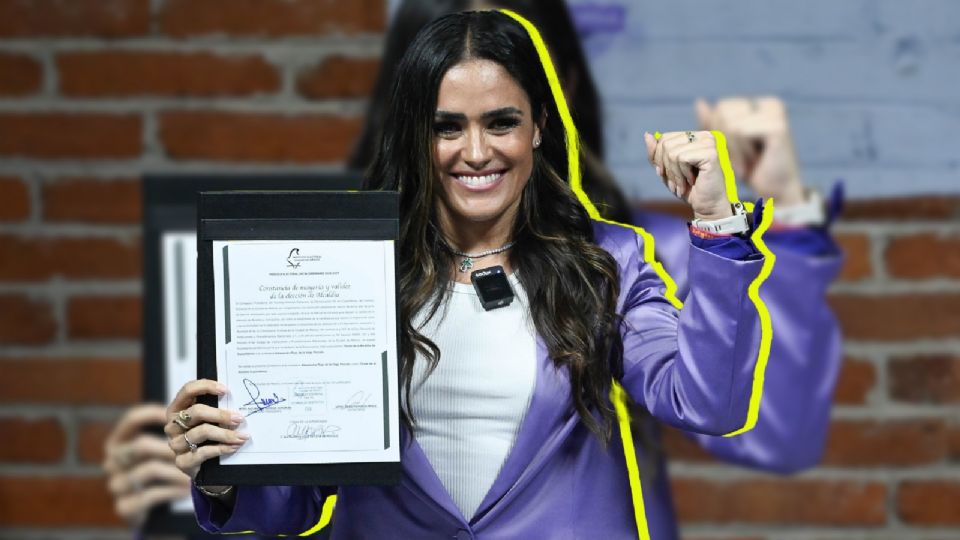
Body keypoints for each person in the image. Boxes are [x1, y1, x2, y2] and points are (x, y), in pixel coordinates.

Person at [166, 10, 789, 538]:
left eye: (501, 122)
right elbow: (287, 504)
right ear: (416, 134)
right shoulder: (345, 270)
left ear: (540, 126)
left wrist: (714, 222)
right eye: (447, 127)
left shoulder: (608, 262)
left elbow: (709, 402)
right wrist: (222, 471)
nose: (475, 151)